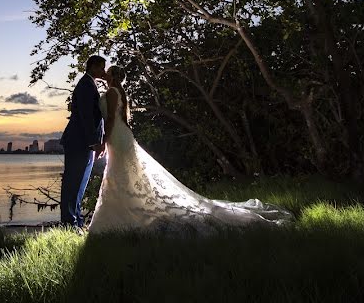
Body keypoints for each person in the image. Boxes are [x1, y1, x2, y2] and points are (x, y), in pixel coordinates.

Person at [87, 65, 293, 234]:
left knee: (120, 174)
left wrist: (105, 140)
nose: (105, 74)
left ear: (113, 76)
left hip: (117, 136)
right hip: (120, 136)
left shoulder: (113, 92)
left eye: (108, 72)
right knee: (121, 174)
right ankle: (125, 212)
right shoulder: (114, 91)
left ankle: (123, 216)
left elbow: (113, 118)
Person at [59, 54, 107, 227]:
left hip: (85, 142)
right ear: (92, 66)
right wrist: (94, 142)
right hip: (79, 142)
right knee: (73, 183)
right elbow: (86, 116)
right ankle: (69, 223)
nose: (103, 71)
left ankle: (76, 221)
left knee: (80, 184)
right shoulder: (86, 85)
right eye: (101, 67)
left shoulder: (90, 84)